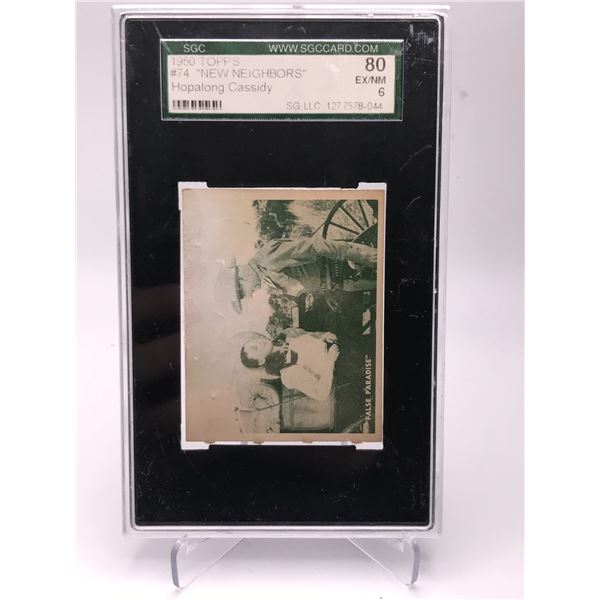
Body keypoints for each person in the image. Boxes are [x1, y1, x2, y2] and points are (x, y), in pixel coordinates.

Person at [220, 236, 377, 314]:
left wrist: (357, 254)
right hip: (342, 283)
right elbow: (305, 281)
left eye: (246, 292)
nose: (251, 293)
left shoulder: (268, 258)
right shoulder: (267, 277)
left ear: (242, 278)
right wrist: (327, 293)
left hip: (345, 263)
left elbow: (314, 246)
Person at [240, 328, 340, 403]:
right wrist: (330, 361)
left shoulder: (286, 334)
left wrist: (324, 336)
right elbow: (320, 393)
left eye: (254, 341)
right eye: (255, 348)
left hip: (337, 342)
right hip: (340, 367)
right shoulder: (288, 373)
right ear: (261, 361)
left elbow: (311, 335)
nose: (258, 342)